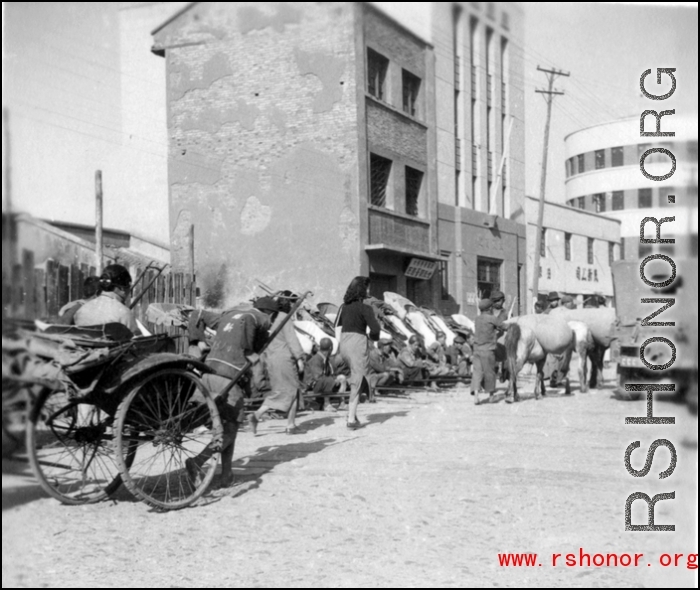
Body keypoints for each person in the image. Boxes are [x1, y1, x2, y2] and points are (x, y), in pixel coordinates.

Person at [186, 296, 278, 488]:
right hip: (229, 378)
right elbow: (251, 348)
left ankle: (227, 474)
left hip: (207, 373)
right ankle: (197, 461)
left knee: (230, 426)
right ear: (271, 313)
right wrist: (252, 354)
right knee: (230, 428)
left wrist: (198, 342)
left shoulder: (229, 315)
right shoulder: (261, 319)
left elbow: (198, 313)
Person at [250, 294, 306, 435]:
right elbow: (291, 339)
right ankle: (290, 425)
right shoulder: (283, 318)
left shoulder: (263, 320)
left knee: (280, 391)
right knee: (293, 390)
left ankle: (258, 415)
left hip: (270, 359)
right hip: (284, 358)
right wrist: (299, 357)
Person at [336, 276, 381, 429]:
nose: (369, 290)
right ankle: (351, 420)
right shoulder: (366, 308)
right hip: (357, 343)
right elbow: (375, 329)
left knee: (356, 378)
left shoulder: (343, 307)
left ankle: (352, 413)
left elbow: (337, 326)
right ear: (363, 290)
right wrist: (373, 338)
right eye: (367, 287)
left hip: (344, 343)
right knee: (359, 379)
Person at [74, 264, 138, 334]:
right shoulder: (124, 313)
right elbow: (136, 341)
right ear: (122, 288)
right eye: (129, 286)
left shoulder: (81, 310)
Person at [471, 299, 505, 404]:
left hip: (476, 350)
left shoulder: (477, 318)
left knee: (477, 372)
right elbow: (504, 326)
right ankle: (491, 396)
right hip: (488, 350)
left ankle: (476, 396)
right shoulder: (492, 318)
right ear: (490, 308)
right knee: (489, 372)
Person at [304, 338, 347, 412]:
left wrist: (336, 379)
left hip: (321, 383)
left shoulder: (327, 359)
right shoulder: (316, 359)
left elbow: (332, 373)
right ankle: (326, 405)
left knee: (342, 378)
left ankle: (342, 403)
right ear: (330, 348)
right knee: (326, 380)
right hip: (311, 385)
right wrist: (332, 380)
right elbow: (318, 377)